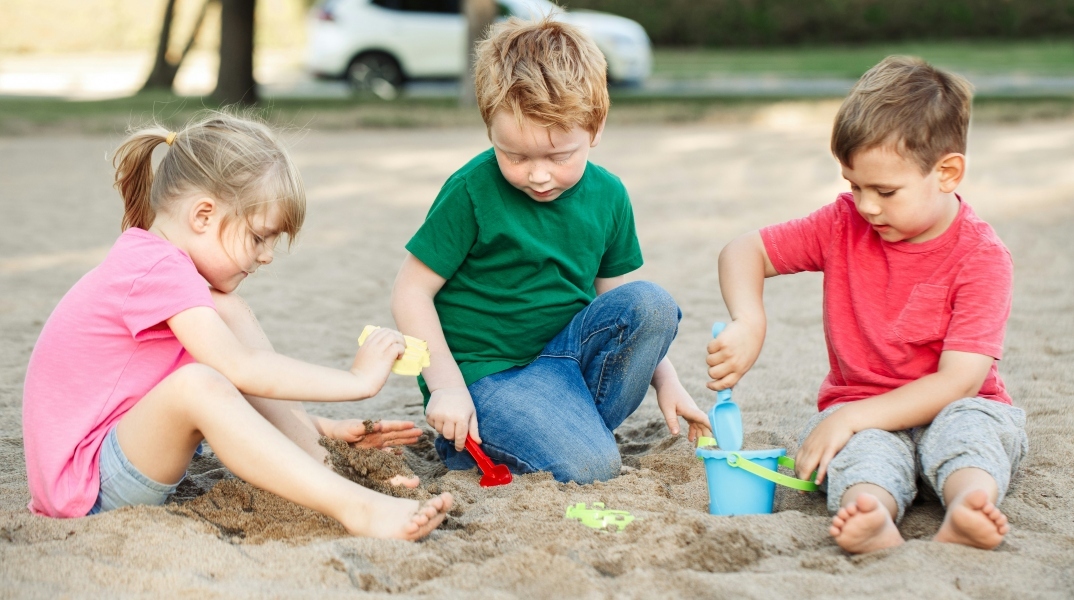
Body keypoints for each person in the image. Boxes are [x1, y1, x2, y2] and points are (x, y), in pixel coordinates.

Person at [22, 111, 451, 540]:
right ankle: (355, 507)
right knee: (199, 381)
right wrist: (357, 379)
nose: (266, 256)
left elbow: (229, 393)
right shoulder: (158, 268)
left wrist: (322, 429)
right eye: (259, 237)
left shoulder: (165, 268)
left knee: (225, 315)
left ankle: (318, 458)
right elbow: (239, 371)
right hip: (86, 487)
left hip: (116, 456)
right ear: (203, 215)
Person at [708, 56, 1028, 553]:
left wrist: (849, 418)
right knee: (860, 455)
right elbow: (743, 251)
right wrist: (750, 320)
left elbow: (960, 380)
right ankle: (872, 513)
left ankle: (968, 505)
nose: (866, 206)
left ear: (947, 173)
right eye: (853, 186)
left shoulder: (982, 257)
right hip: (860, 409)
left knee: (969, 435)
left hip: (959, 404)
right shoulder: (843, 225)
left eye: (885, 190)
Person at [391, 17, 711, 484]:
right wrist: (446, 388)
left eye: (559, 157)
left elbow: (618, 305)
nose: (538, 175)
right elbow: (409, 292)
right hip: (488, 377)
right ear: (490, 131)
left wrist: (669, 381)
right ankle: (496, 438)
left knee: (653, 303)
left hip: (566, 363)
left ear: (595, 128)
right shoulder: (471, 190)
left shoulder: (609, 196)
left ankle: (555, 431)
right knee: (593, 466)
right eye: (515, 156)